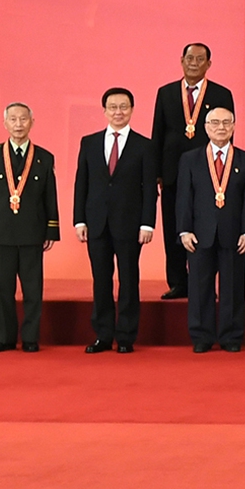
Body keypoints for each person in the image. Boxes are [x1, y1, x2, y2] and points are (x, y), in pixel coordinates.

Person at [74, 87, 158, 354]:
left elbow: (149, 189)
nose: (118, 111)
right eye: (113, 107)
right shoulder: (89, 142)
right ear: (104, 111)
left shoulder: (145, 145)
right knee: (101, 280)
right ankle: (102, 335)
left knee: (129, 280)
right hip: (96, 223)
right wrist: (79, 220)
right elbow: (81, 184)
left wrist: (148, 223)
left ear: (132, 110)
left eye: (123, 106)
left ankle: (125, 336)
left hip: (130, 225)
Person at [0, 102, 59, 352]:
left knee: (33, 289)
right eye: (13, 120)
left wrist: (51, 229)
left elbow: (50, 197)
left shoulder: (44, 157)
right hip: (0, 231)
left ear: (32, 122)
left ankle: (30, 338)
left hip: (33, 231)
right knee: (2, 288)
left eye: (23, 119)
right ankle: (5, 338)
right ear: (5, 123)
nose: (18, 124)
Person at [151, 43, 233, 300]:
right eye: (189, 58)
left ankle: (205, 283)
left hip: (208, 172)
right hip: (173, 172)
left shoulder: (221, 94)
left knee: (207, 228)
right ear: (181, 60)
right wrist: (156, 172)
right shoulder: (165, 93)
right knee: (174, 227)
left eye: (200, 59)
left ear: (209, 64)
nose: (194, 63)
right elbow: (158, 134)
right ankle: (178, 282)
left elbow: (228, 132)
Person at [176, 107, 245, 352]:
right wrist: (184, 231)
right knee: (199, 287)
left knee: (233, 287)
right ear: (205, 127)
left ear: (233, 126)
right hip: (199, 235)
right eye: (215, 122)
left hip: (234, 235)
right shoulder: (190, 159)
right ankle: (201, 337)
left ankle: (231, 337)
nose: (220, 127)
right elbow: (183, 198)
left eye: (226, 122)